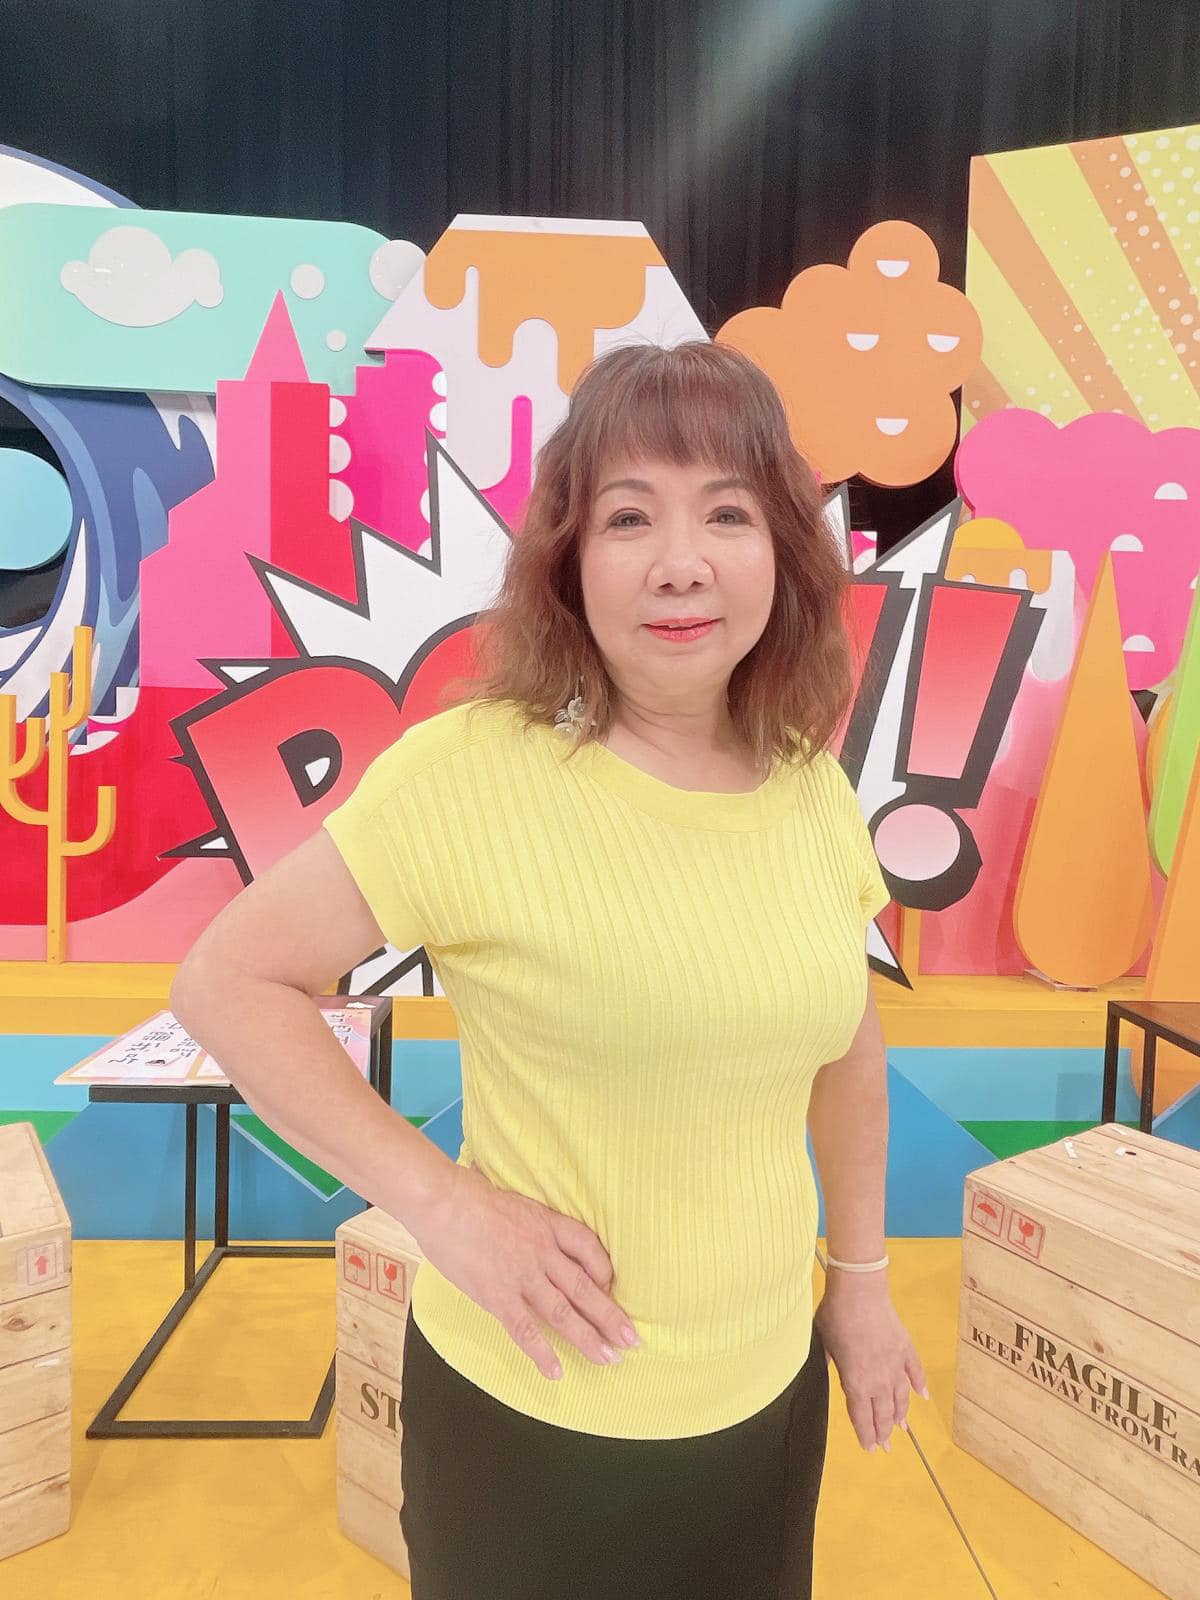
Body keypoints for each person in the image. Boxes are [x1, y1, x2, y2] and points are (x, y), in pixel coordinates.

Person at [170, 339, 928, 1599]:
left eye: (727, 513)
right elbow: (227, 983)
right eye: (630, 517)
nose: (680, 561)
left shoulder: (810, 786)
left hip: (765, 1405)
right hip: (533, 1416)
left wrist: (860, 1281)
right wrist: (444, 1206)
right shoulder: (471, 774)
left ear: (784, 554)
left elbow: (845, 1043)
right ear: (570, 559)